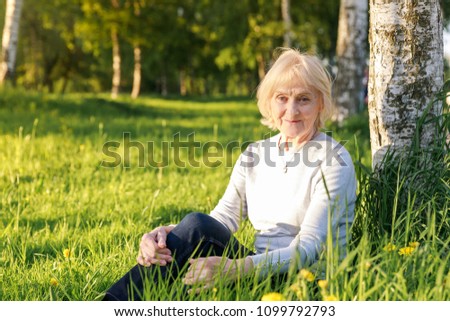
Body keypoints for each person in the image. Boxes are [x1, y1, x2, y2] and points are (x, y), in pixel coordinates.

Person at [102, 48, 357, 301]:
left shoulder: (334, 160)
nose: (291, 111)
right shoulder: (255, 154)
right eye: (282, 98)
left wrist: (234, 269)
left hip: (310, 283)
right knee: (180, 270)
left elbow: (308, 249)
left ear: (321, 103)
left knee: (190, 255)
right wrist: (165, 235)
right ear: (269, 101)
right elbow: (220, 221)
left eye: (303, 99)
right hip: (257, 273)